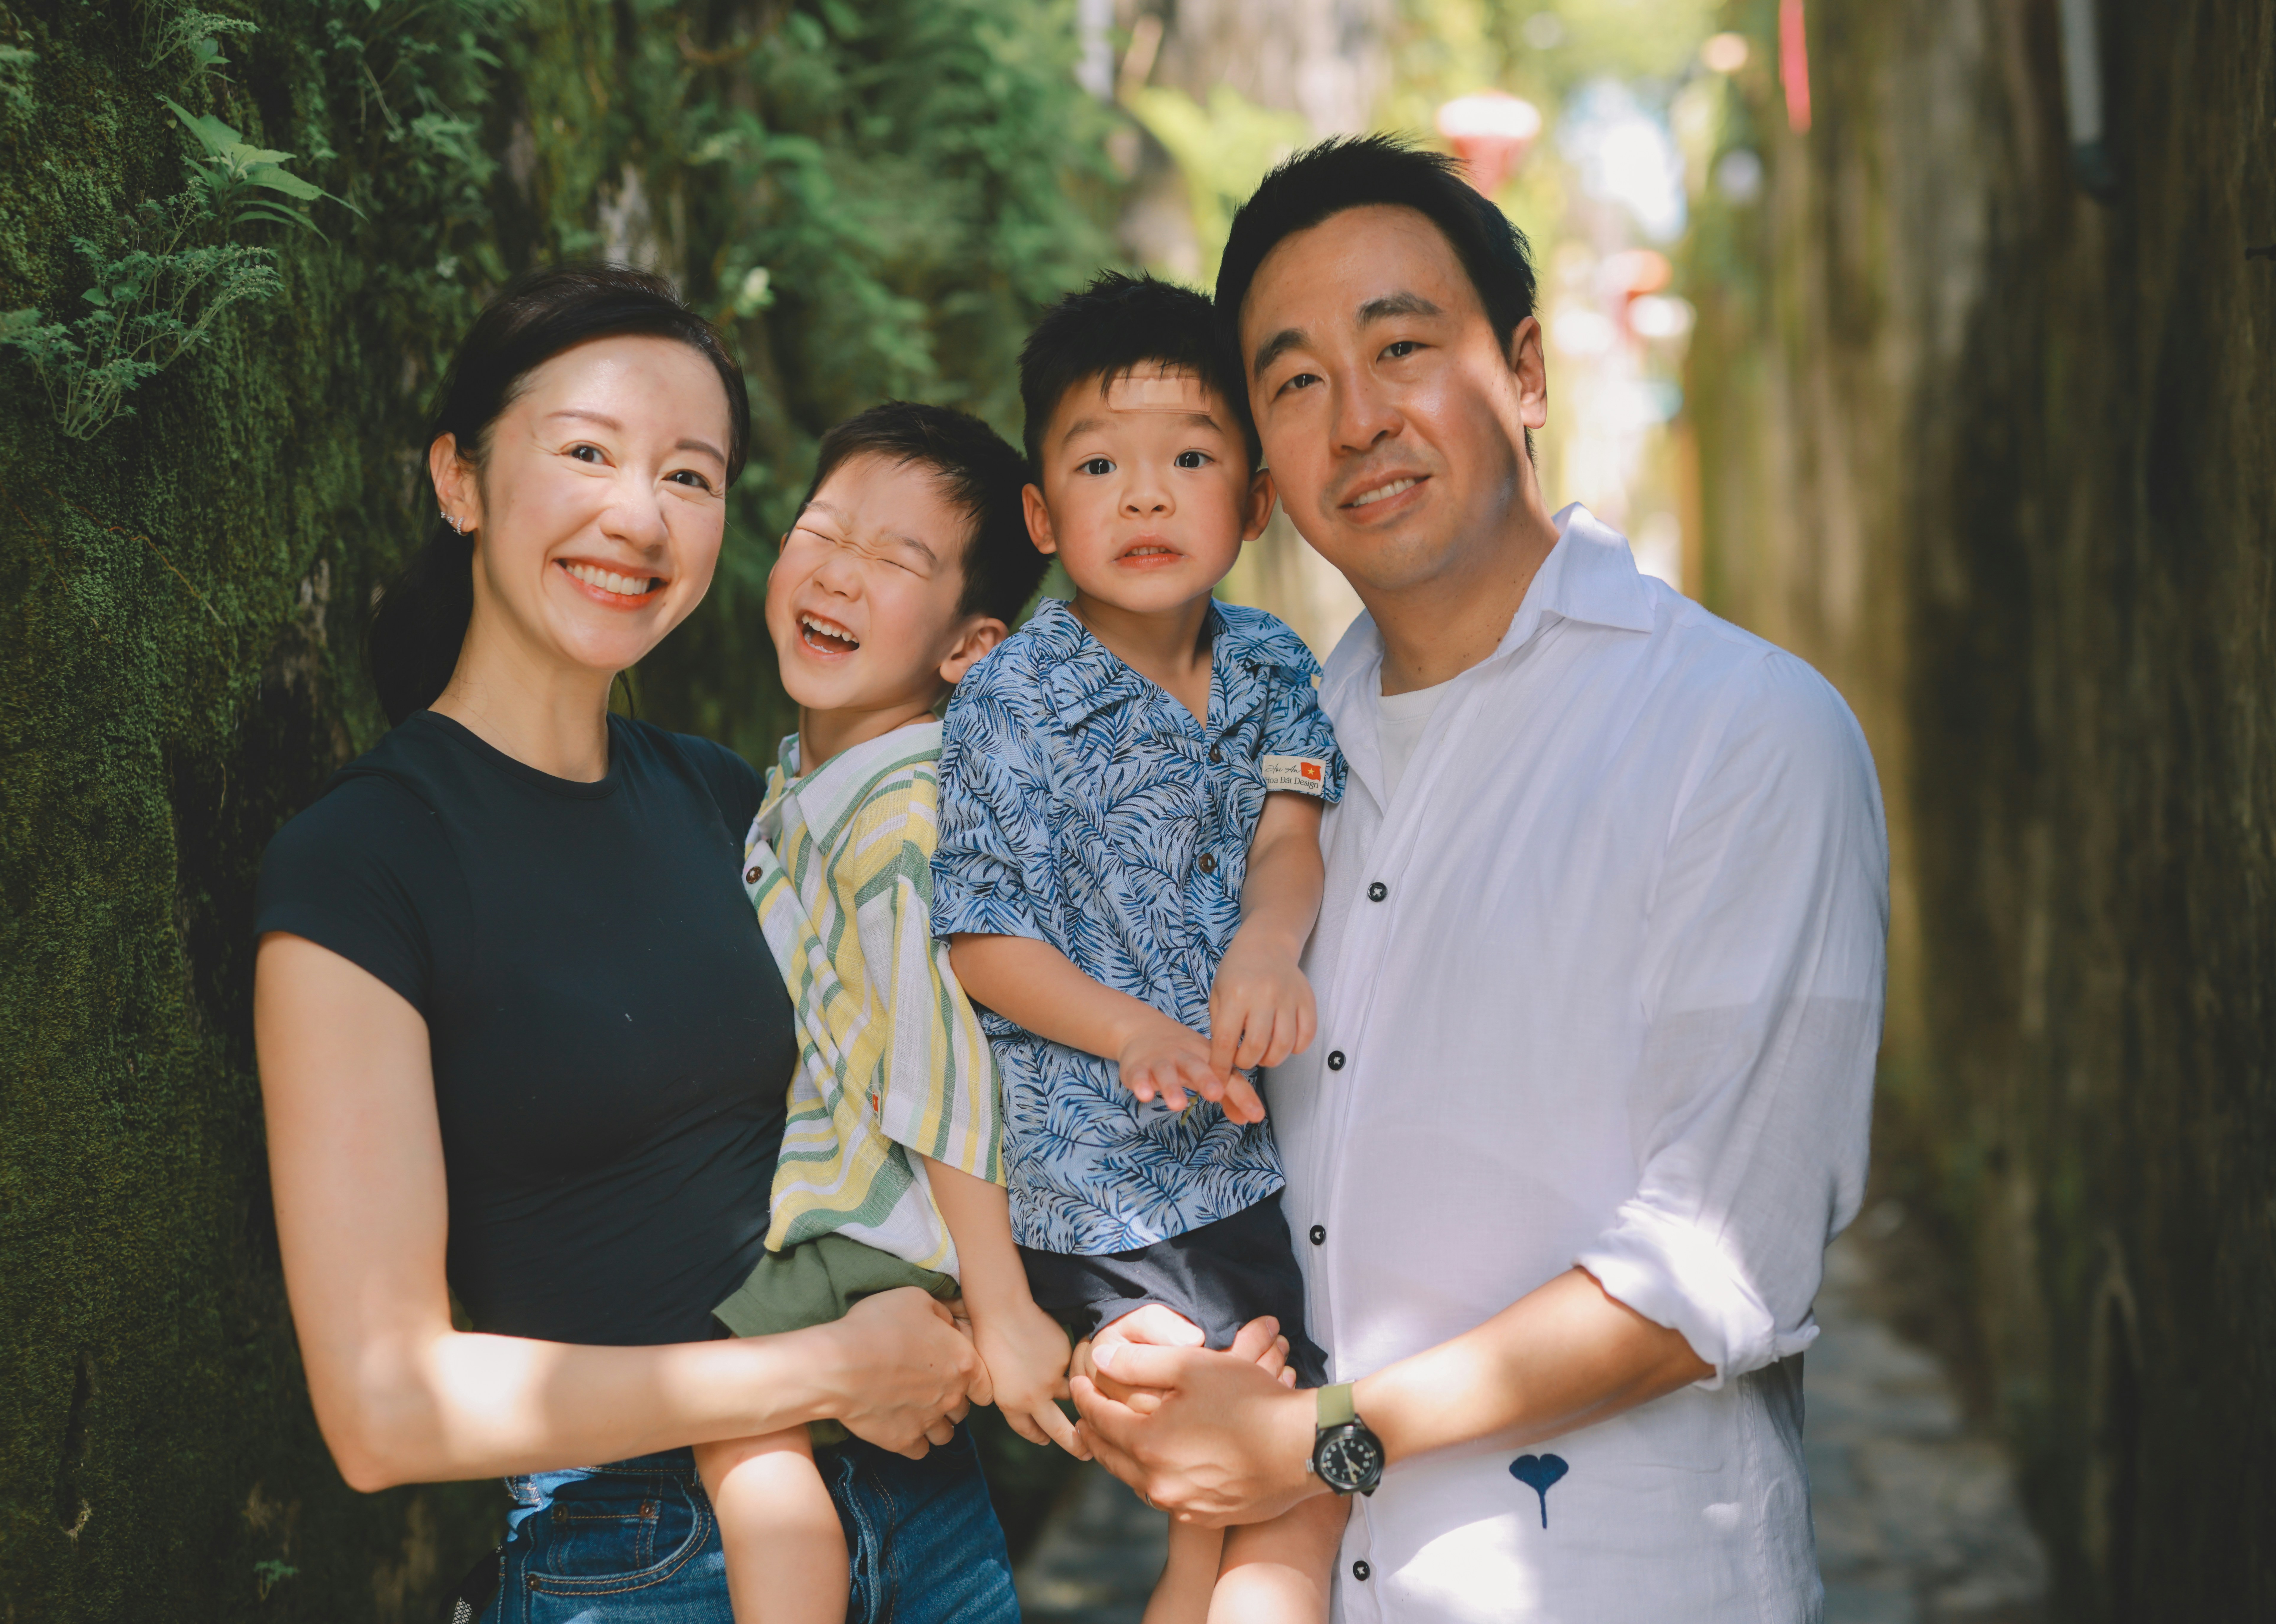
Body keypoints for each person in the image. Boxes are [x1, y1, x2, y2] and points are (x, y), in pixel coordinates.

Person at [1069, 138, 1891, 1622]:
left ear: (1521, 368)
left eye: (1401, 346)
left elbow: (1716, 1265)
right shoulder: (1266, 775)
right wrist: (1143, 1350)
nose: (1360, 419)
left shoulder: (1743, 732)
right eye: (1296, 381)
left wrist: (1313, 1440)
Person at [252, 265, 987, 1623]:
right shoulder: (362, 863)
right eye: (585, 452)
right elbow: (382, 1408)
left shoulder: (733, 802)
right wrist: (827, 1369)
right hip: (644, 1557)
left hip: (927, 1515)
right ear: (459, 479)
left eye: (692, 477)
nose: (637, 516)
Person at [931, 273, 1350, 1624]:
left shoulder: (1277, 662)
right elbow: (981, 938)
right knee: (1278, 1478)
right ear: (1043, 518)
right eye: (1100, 465)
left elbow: (1292, 836)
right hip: (1096, 1181)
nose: (1148, 495)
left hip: (1237, 1162)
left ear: (1254, 499)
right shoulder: (1012, 694)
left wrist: (1266, 950)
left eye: (1188, 458)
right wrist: (1134, 1031)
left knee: (1226, 1506)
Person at [690, 402, 1068, 1624]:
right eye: (822, 528)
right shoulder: (810, 782)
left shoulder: (902, 810)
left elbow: (939, 1056)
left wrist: (1001, 1304)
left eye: (897, 558)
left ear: (968, 647)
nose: (839, 570)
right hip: (880, 1205)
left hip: (882, 1213)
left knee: (736, 1415)